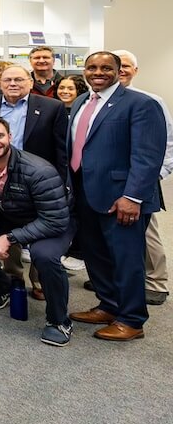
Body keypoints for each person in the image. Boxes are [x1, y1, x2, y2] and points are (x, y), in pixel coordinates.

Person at [65, 52, 164, 341]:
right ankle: (109, 305)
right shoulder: (82, 101)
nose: (98, 72)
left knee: (126, 258)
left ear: (119, 71)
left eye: (106, 67)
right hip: (85, 192)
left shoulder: (141, 104)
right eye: (92, 67)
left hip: (122, 197)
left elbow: (148, 156)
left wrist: (133, 197)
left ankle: (132, 319)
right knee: (95, 255)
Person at [0, 116, 74, 346]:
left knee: (44, 257)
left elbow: (55, 219)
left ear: (10, 137)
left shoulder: (39, 170)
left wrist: (9, 238)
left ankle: (59, 321)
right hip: (8, 217)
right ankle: (3, 289)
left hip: (50, 222)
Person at [0, 64, 70, 299]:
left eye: (19, 79)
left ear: (30, 81)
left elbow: (61, 149)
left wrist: (62, 181)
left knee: (38, 231)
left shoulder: (52, 107)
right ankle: (13, 275)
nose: (13, 84)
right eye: (7, 80)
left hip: (37, 180)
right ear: (0, 83)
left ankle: (38, 281)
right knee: (7, 221)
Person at [113, 49, 173, 306]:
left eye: (127, 66)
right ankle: (118, 278)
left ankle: (156, 281)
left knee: (147, 231)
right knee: (114, 230)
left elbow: (167, 142)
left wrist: (157, 174)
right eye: (118, 65)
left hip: (141, 179)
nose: (122, 70)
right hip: (109, 178)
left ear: (135, 71)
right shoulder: (97, 99)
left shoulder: (151, 100)